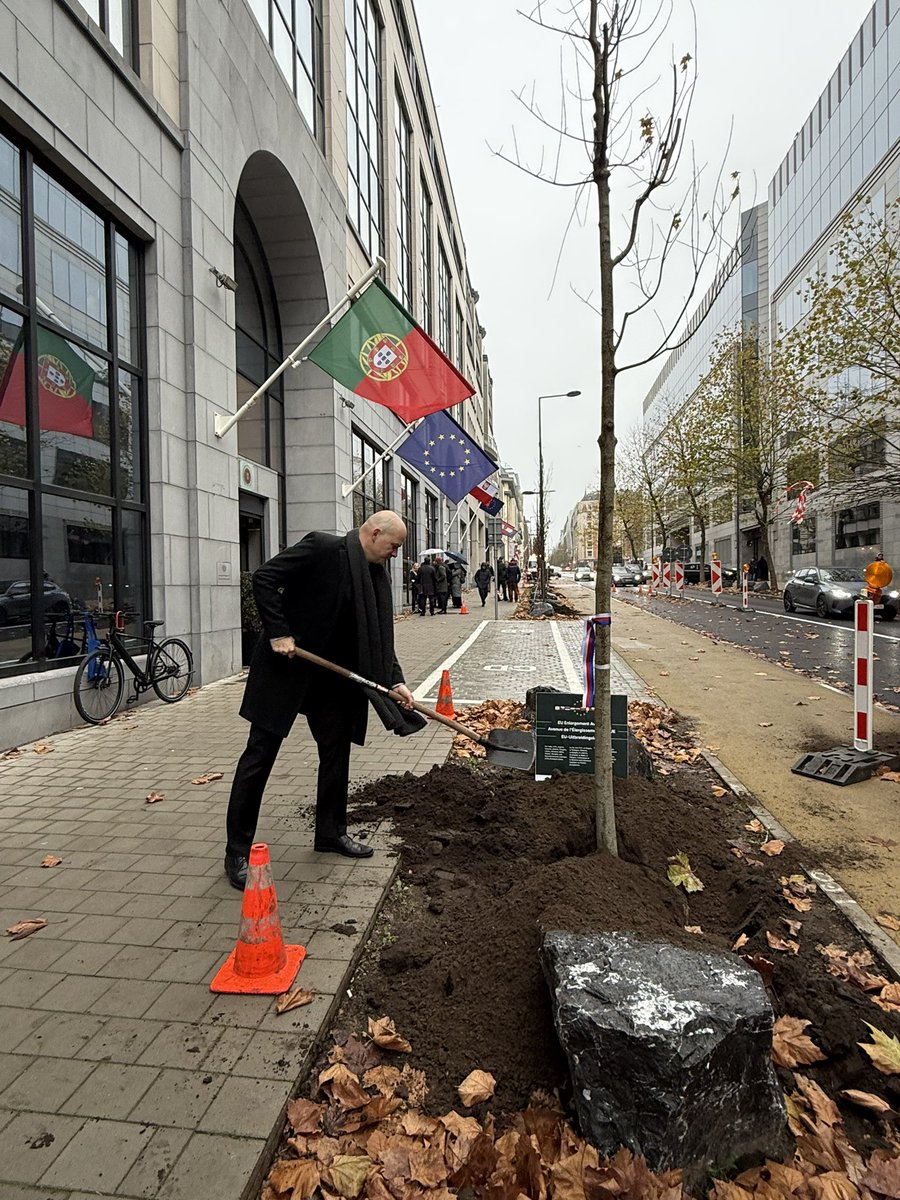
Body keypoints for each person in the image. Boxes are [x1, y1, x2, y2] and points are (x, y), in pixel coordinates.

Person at [224, 511, 426, 889]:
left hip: (330, 680)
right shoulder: (322, 548)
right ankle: (237, 850)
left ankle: (330, 833)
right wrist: (278, 632)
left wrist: (395, 680)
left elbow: (379, 639)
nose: (395, 554)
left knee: (336, 752)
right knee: (259, 755)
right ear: (375, 532)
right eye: (394, 546)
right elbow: (264, 578)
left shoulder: (374, 574)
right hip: (286, 669)